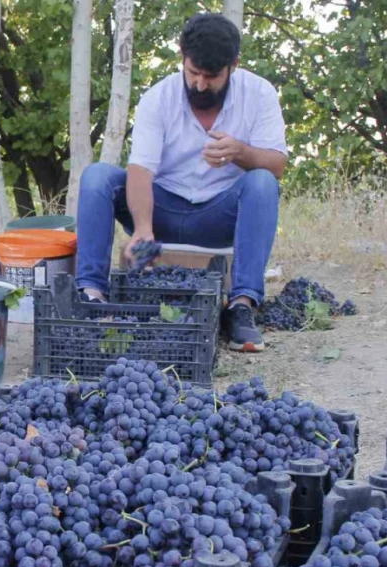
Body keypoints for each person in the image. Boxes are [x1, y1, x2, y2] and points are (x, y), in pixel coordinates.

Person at [74, 12, 288, 353]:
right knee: (98, 176)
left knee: (262, 182)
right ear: (182, 58)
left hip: (218, 215)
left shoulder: (259, 93)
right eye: (193, 73)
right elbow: (141, 169)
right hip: (163, 212)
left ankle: (241, 307)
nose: (200, 84)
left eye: (211, 76)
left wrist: (241, 152)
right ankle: (92, 298)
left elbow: (277, 165)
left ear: (234, 64)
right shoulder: (158, 98)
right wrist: (143, 228)